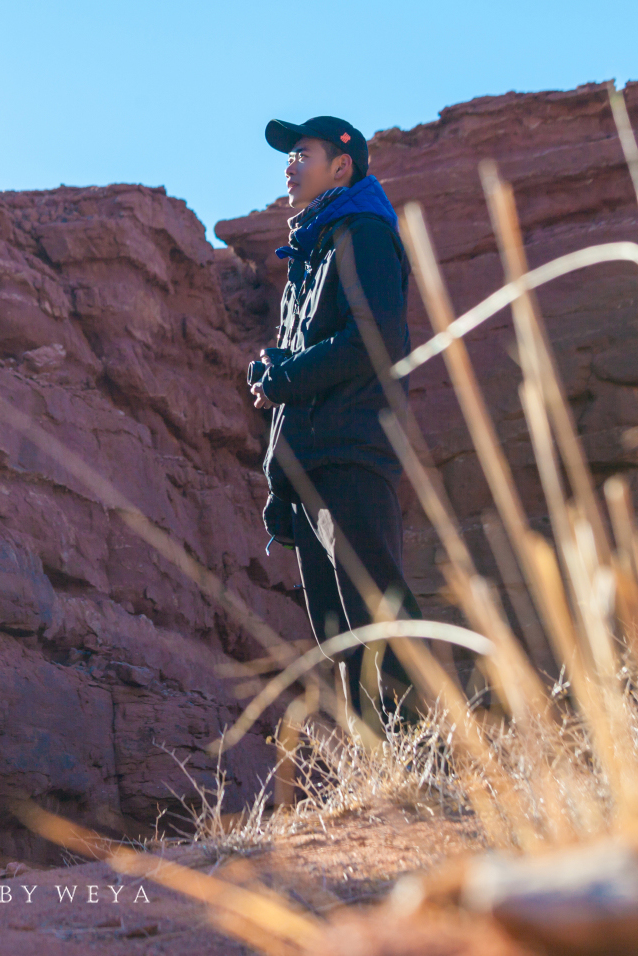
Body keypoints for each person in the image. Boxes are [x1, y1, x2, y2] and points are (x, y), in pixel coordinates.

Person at [246, 115, 421, 717]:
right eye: (288, 156)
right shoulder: (313, 246)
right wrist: (276, 368)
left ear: (340, 166)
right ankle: (384, 767)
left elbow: (373, 338)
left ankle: (429, 765)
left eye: (302, 153)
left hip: (350, 450)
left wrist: (284, 379)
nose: (289, 165)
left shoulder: (364, 233)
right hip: (313, 459)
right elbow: (319, 344)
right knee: (338, 630)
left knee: (377, 607)